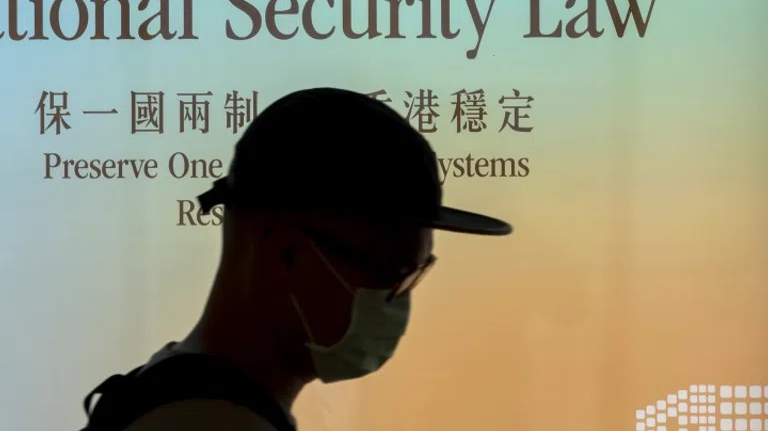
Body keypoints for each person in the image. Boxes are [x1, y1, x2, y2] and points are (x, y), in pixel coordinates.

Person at [80, 87, 512, 431]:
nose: (398, 302)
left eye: (415, 275)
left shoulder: (170, 390)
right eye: (389, 275)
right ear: (284, 254)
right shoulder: (211, 423)